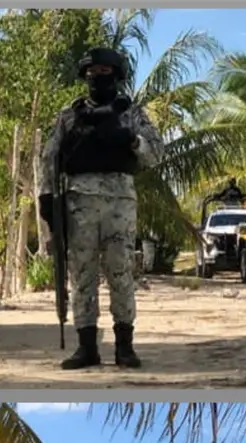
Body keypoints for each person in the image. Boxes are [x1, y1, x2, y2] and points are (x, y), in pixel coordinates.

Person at [38, 47, 163, 371]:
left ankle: (124, 346)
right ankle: (87, 347)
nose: (97, 77)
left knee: (121, 273)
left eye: (105, 71)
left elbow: (155, 154)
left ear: (117, 75)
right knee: (82, 276)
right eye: (92, 72)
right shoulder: (70, 114)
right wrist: (46, 198)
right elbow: (50, 157)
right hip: (79, 202)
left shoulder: (131, 113)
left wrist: (131, 140)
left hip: (120, 202)